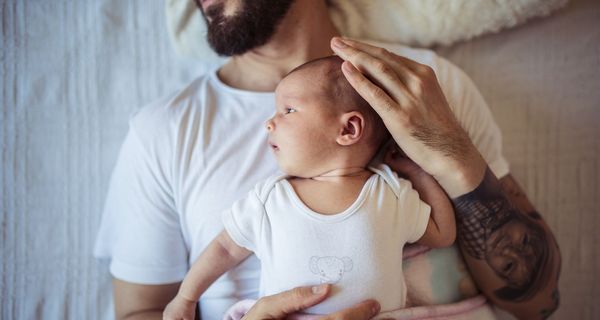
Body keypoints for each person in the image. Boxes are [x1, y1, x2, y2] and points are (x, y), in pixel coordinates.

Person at [94, 0, 561, 319]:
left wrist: (454, 158)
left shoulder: (425, 86)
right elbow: (143, 309)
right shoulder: (165, 131)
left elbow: (537, 302)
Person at [162, 56, 457, 320]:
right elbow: (225, 248)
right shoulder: (269, 200)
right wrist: (186, 297)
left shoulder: (390, 193)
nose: (269, 122)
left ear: (348, 129)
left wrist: (419, 171)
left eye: (288, 110)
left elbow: (443, 234)